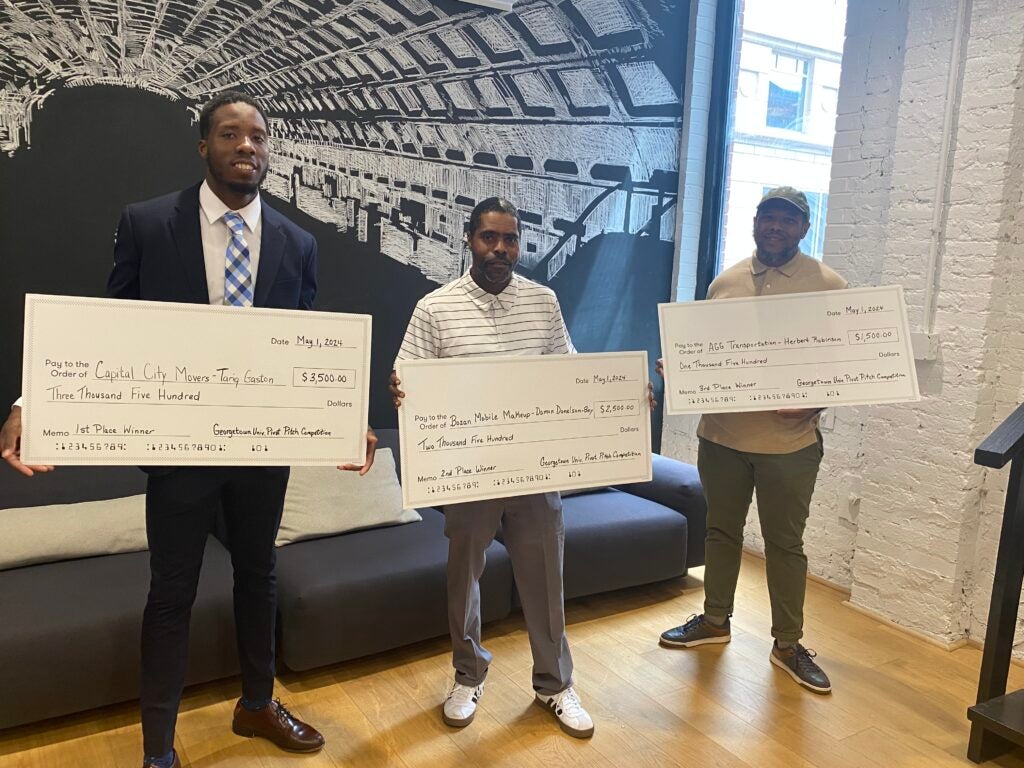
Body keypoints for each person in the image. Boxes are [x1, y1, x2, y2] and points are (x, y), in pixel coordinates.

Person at [0, 91, 377, 768]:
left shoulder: (298, 243)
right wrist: (36, 401)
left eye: (258, 136)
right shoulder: (148, 225)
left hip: (264, 449)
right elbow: (109, 328)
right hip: (180, 449)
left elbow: (308, 350)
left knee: (259, 575)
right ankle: (157, 749)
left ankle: (257, 704)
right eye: (230, 134)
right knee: (171, 591)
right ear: (203, 146)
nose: (247, 146)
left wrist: (348, 420)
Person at [389, 197, 595, 738]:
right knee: (464, 577)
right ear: (469, 239)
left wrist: (614, 396)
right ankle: (467, 674)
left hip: (532, 469)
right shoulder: (435, 308)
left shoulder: (544, 302)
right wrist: (400, 389)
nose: (500, 249)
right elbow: (407, 377)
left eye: (510, 239)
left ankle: (555, 684)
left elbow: (568, 373)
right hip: (468, 470)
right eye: (489, 238)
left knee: (546, 578)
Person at [658, 186, 846, 695]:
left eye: (788, 219)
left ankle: (788, 645)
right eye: (769, 216)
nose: (776, 227)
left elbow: (844, 365)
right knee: (720, 533)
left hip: (788, 445)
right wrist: (682, 368)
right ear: (756, 221)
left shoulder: (827, 286)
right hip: (721, 437)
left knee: (786, 545)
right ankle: (714, 621)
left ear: (804, 228)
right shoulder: (727, 281)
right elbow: (708, 348)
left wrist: (815, 402)